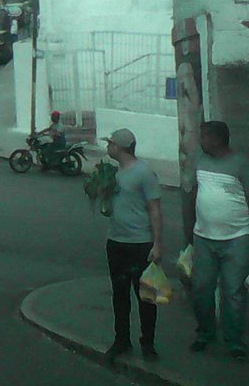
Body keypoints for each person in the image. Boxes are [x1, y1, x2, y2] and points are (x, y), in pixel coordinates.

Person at [185, 120, 249, 360]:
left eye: (205, 137)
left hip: (238, 238)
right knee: (201, 287)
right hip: (203, 237)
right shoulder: (199, 161)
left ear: (218, 139)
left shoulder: (240, 164)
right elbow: (191, 195)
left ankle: (234, 341)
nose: (201, 141)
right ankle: (205, 333)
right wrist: (189, 233)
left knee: (233, 291)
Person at [103, 128, 162, 363]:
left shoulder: (144, 173)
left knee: (146, 297)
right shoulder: (114, 173)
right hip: (116, 242)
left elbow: (155, 208)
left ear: (120, 147)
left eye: (110, 144)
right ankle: (122, 339)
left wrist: (157, 244)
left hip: (140, 244)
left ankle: (148, 343)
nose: (107, 147)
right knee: (119, 294)